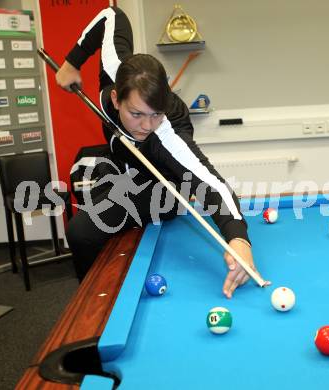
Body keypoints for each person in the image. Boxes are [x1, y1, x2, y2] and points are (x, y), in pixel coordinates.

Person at [56, 6, 268, 298]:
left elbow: (209, 182)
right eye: (137, 114)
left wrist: (239, 240)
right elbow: (111, 15)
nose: (146, 125)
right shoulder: (113, 73)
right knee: (94, 199)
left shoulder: (166, 134)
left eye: (156, 114)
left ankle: (96, 305)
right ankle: (94, 301)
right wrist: (72, 62)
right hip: (124, 164)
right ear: (116, 98)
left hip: (163, 184)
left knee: (81, 232)